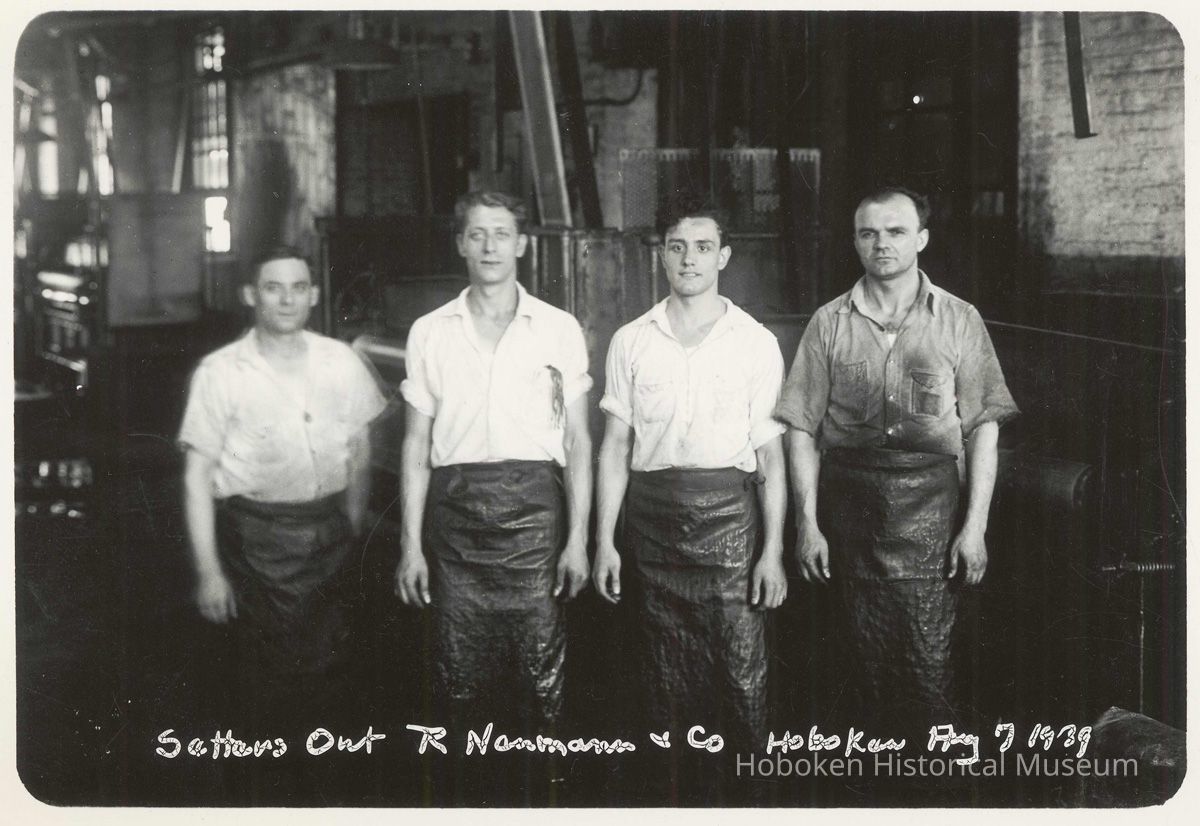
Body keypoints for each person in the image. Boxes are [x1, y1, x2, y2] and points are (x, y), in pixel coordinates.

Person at [774, 186, 1019, 741]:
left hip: (934, 515)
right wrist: (808, 526)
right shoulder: (828, 322)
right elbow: (801, 428)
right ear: (855, 242)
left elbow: (984, 427)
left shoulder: (958, 319)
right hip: (847, 518)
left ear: (922, 240)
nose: (881, 243)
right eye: (868, 233)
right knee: (849, 668)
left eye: (896, 231)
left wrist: (974, 528)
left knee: (933, 664)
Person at [593, 195, 787, 798]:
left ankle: (745, 801)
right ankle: (666, 798)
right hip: (650, 524)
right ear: (662, 257)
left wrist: (773, 551)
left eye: (703, 247)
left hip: (731, 521)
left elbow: (771, 458)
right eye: (677, 247)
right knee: (658, 678)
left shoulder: (755, 342)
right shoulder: (631, 340)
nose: (689, 259)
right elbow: (614, 447)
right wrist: (604, 542)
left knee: (739, 674)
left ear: (723, 256)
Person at [395, 191, 592, 739]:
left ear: (522, 245)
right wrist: (410, 547)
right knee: (458, 670)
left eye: (501, 234)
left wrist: (578, 540)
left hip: (536, 517)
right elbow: (415, 447)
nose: (489, 246)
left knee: (540, 669)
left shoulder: (558, 328)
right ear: (461, 244)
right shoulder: (430, 331)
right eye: (477, 234)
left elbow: (577, 441)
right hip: (455, 519)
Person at [179, 246, 387, 724]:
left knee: (334, 674)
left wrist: (349, 524)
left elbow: (361, 451)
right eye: (273, 288)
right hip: (255, 542)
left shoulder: (341, 361)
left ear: (313, 294)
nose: (287, 300)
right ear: (251, 294)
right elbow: (195, 478)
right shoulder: (221, 372)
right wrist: (210, 574)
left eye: (298, 288)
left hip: (330, 537)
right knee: (266, 682)